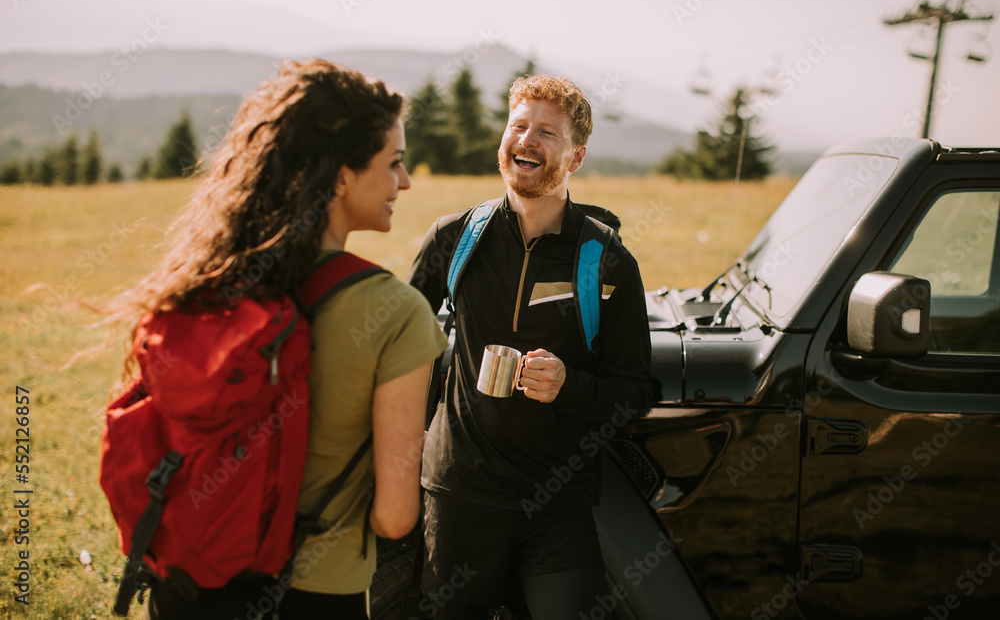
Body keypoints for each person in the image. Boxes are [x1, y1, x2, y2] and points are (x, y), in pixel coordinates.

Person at [104, 59, 447, 619]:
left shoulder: (210, 282)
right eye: (395, 164)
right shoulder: (396, 314)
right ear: (340, 175)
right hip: (315, 595)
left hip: (191, 580)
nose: (404, 183)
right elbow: (393, 517)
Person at [408, 74, 655, 619]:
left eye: (547, 132)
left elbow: (636, 391)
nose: (527, 140)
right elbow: (399, 351)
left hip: (556, 504)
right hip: (458, 494)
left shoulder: (608, 262)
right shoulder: (452, 239)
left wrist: (570, 386)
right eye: (519, 125)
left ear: (576, 156)